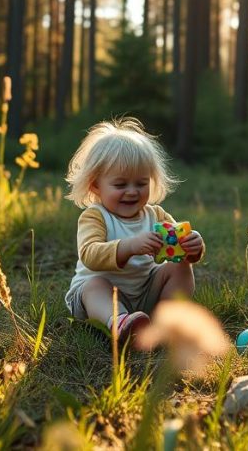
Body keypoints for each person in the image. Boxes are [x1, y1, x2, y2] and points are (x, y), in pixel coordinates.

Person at [63, 117, 205, 341]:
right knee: (94, 285)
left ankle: (167, 322)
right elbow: (89, 254)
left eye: (141, 183)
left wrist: (192, 246)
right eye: (120, 185)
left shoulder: (156, 215)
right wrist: (129, 247)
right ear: (95, 185)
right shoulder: (95, 216)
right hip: (100, 300)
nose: (132, 192)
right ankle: (119, 323)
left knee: (179, 268)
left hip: (144, 292)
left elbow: (177, 246)